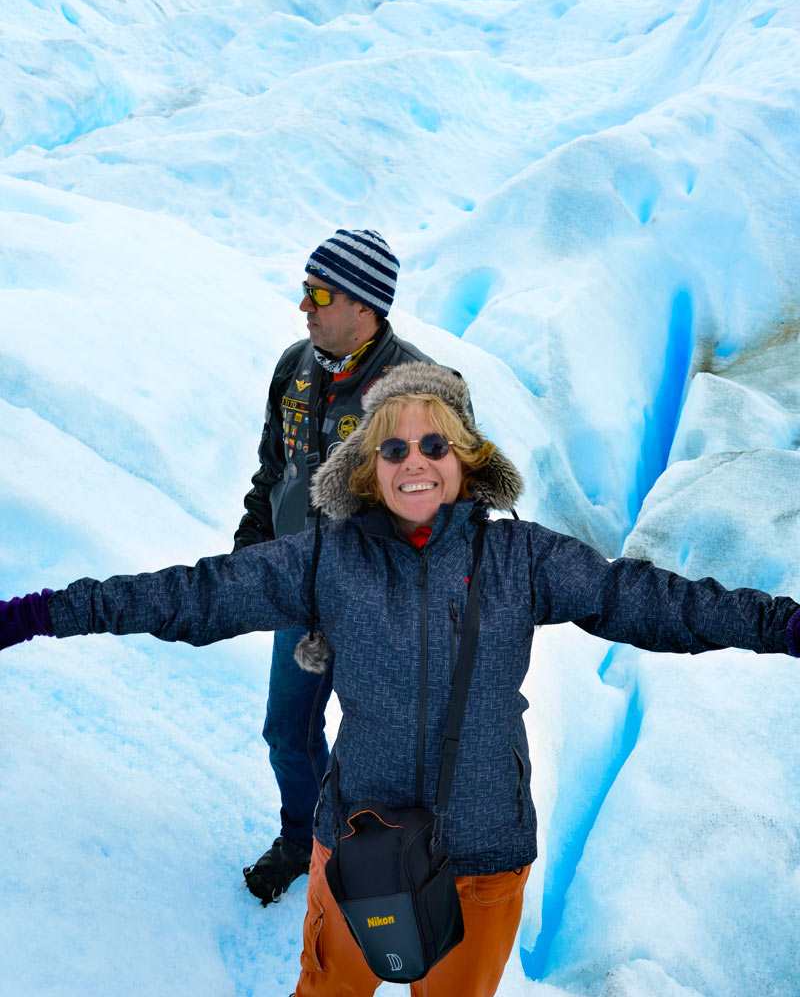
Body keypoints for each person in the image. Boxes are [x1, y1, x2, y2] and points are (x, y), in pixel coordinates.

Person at [3, 362, 799, 997]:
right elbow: (195, 595)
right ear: (368, 466)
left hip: (484, 856)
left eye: (435, 444)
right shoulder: (329, 558)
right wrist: (44, 612)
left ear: (467, 458)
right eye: (393, 448)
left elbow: (654, 602)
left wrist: (783, 625)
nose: (414, 462)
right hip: (357, 843)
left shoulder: (521, 558)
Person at [233, 228, 441, 904]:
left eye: (320, 295)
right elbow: (274, 471)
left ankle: (389, 869)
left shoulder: (420, 393)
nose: (305, 306)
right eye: (305, 290)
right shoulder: (295, 367)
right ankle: (305, 842)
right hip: (302, 596)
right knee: (287, 731)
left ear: (365, 305)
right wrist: (251, 550)